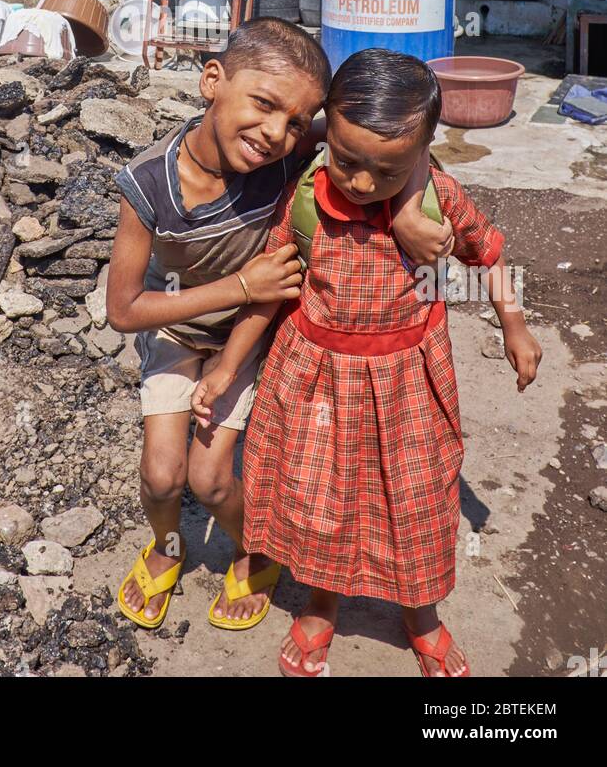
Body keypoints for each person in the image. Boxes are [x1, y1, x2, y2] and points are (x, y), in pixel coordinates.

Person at [192, 48, 542, 675]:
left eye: (386, 171)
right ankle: (321, 606)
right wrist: (224, 369)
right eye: (347, 160)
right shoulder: (303, 200)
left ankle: (421, 617)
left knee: (418, 502)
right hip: (316, 384)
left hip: (409, 383)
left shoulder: (437, 198)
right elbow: (273, 292)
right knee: (323, 500)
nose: (359, 182)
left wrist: (513, 323)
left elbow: (487, 251)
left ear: (422, 154)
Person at [106, 20, 453, 633]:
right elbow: (125, 309)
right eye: (264, 105)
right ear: (213, 80)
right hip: (176, 329)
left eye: (297, 121)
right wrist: (244, 285)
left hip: (247, 333)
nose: (276, 132)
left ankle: (253, 550)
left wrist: (403, 210)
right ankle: (165, 548)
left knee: (211, 482)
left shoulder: (284, 151)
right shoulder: (148, 184)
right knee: (161, 476)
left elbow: (398, 139)